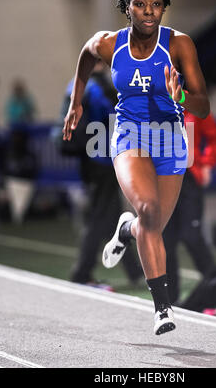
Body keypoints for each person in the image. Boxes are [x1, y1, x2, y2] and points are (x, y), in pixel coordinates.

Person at [63, 0, 210, 335]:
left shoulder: (179, 45)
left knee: (152, 226)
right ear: (127, 7)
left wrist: (178, 95)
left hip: (170, 140)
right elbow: (85, 55)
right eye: (141, 3)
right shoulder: (110, 44)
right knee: (147, 208)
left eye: (156, 5)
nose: (148, 11)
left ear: (163, 9)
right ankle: (162, 308)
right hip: (129, 135)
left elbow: (203, 106)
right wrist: (75, 103)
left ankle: (125, 230)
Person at [61, 62, 143, 287]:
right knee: (99, 216)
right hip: (103, 157)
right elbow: (116, 114)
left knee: (112, 217)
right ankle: (81, 273)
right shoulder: (98, 87)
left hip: (89, 158)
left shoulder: (76, 85)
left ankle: (135, 272)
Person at [163, 111, 216, 305]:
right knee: (166, 241)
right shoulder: (151, 103)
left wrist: (207, 164)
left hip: (189, 178)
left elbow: (213, 136)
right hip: (162, 179)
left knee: (192, 235)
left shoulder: (193, 105)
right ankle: (170, 299)